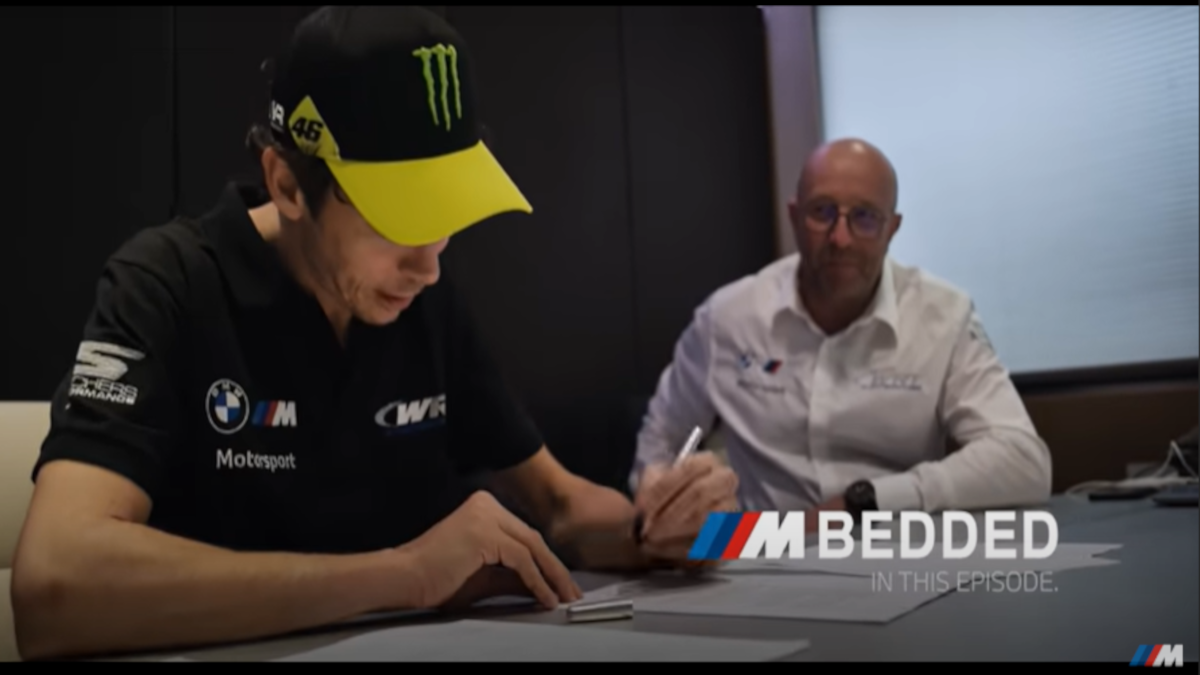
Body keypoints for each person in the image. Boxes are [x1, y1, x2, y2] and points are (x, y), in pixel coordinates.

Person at [11, 6, 735, 661]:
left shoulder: (418, 298)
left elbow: (564, 506)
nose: (429, 264)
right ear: (287, 184)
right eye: (399, 217)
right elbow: (55, 583)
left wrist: (661, 528)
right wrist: (405, 574)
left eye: (446, 211)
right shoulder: (165, 284)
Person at [632, 138, 1051, 530]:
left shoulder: (943, 316)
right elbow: (660, 445)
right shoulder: (728, 318)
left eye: (865, 217)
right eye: (822, 212)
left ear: (892, 228)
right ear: (795, 217)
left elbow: (1022, 460)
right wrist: (666, 515)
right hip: (754, 548)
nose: (841, 238)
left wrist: (864, 504)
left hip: (891, 547)